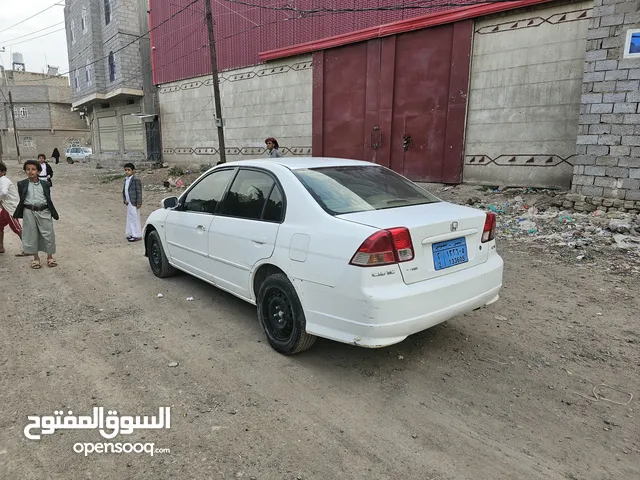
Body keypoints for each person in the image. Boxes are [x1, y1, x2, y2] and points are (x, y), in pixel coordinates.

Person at [13, 160, 59, 269]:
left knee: (48, 233)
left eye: (33, 169)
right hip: (29, 211)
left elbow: (48, 198)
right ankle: (36, 258)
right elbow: (22, 197)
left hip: (44, 211)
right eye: (28, 169)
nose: (30, 171)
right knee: (31, 234)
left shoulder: (45, 184)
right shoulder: (22, 184)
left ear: (38, 171)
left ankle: (50, 257)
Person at [0, 162, 27, 256]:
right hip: (5, 208)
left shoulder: (4, 180)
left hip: (10, 208)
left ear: (3, 172)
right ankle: (1, 247)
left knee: (16, 228)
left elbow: (3, 193)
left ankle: (29, 248)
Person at [122, 163, 142, 242]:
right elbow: (124, 190)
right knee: (130, 218)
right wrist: (124, 199)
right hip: (128, 202)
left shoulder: (136, 179)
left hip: (134, 202)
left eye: (129, 170)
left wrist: (139, 202)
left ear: (133, 171)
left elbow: (139, 192)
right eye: (125, 170)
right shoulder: (126, 179)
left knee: (135, 219)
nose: (127, 172)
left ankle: (137, 235)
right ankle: (130, 233)